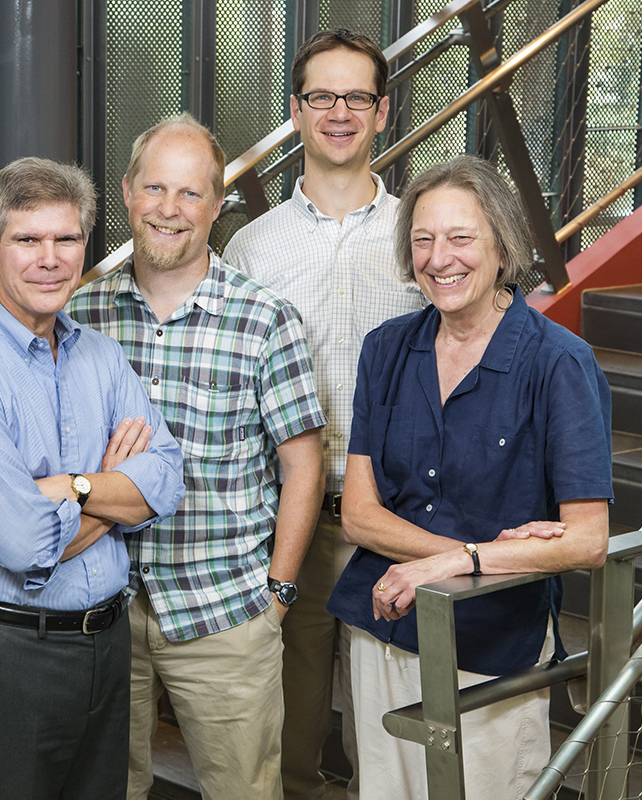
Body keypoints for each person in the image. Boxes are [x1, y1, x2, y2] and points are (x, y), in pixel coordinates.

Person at [328, 155, 612, 799]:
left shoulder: (559, 363)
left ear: (502, 247)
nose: (439, 258)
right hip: (385, 626)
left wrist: (452, 567)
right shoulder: (386, 349)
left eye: (460, 238)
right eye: (423, 239)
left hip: (492, 642)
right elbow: (361, 517)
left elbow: (587, 541)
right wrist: (482, 554)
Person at [0, 157, 185, 800]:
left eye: (66, 239)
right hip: (4, 656)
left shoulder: (101, 354)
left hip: (107, 648)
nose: (50, 258)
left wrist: (73, 488)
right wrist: (115, 486)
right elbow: (25, 543)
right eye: (28, 239)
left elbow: (165, 477)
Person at [69, 113, 327, 800]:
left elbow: (304, 466)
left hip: (224, 610)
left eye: (189, 194)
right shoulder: (83, 315)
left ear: (217, 205)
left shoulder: (265, 320)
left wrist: (277, 595)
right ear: (127, 192)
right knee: (102, 788)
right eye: (155, 188)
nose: (169, 209)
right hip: (103, 607)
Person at [222, 27, 427, 800]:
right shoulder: (250, 248)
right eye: (321, 96)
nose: (338, 112)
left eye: (356, 97)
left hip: (400, 516)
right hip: (288, 523)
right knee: (289, 730)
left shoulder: (422, 234)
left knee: (391, 732)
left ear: (381, 112)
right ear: (298, 110)